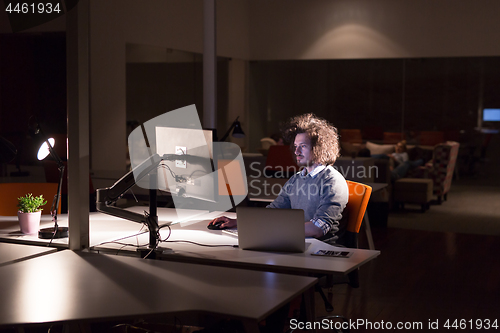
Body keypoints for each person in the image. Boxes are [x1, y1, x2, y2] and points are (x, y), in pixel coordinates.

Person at [208, 113, 349, 243]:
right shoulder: (296, 179)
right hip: (296, 242)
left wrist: (274, 231)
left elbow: (317, 229)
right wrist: (239, 222)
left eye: (303, 146)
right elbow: (273, 211)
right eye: (295, 146)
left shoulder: (332, 181)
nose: (296, 151)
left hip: (321, 249)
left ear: (319, 148)